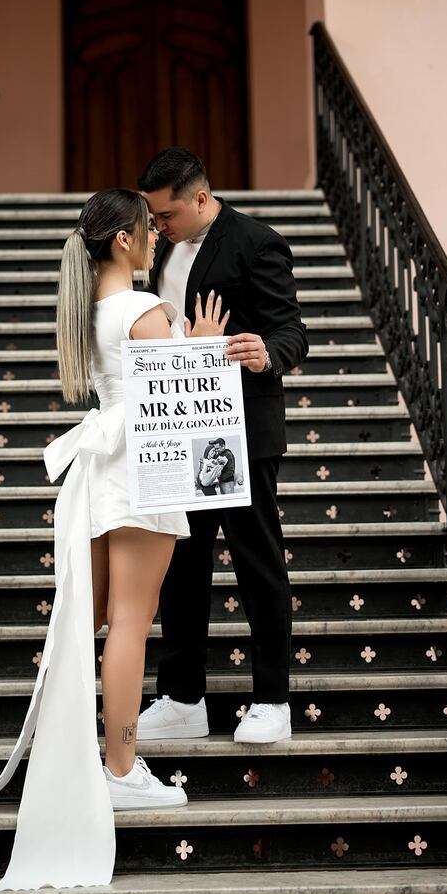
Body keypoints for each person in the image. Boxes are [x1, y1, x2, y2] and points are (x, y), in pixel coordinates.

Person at [0, 188, 229, 891]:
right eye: (147, 229)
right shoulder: (145, 310)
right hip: (140, 472)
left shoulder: (93, 312)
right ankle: (120, 767)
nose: (154, 238)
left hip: (99, 473)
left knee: (106, 622)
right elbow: (173, 404)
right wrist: (200, 349)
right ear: (122, 240)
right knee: (133, 625)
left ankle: (106, 759)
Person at [137, 148, 309, 745]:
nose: (159, 227)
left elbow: (292, 329)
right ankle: (183, 696)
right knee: (182, 566)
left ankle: (272, 701)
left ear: (202, 198)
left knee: (256, 562)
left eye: (167, 215)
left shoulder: (256, 242)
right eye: (153, 218)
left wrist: (267, 351)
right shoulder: (161, 250)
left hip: (243, 431)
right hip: (179, 428)